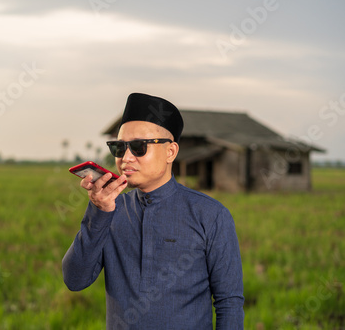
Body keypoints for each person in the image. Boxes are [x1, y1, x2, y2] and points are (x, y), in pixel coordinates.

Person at [62, 93, 244, 329]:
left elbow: (229, 302)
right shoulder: (111, 210)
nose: (126, 158)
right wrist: (99, 211)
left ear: (170, 152)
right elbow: (75, 280)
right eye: (119, 147)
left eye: (138, 147)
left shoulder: (210, 215)